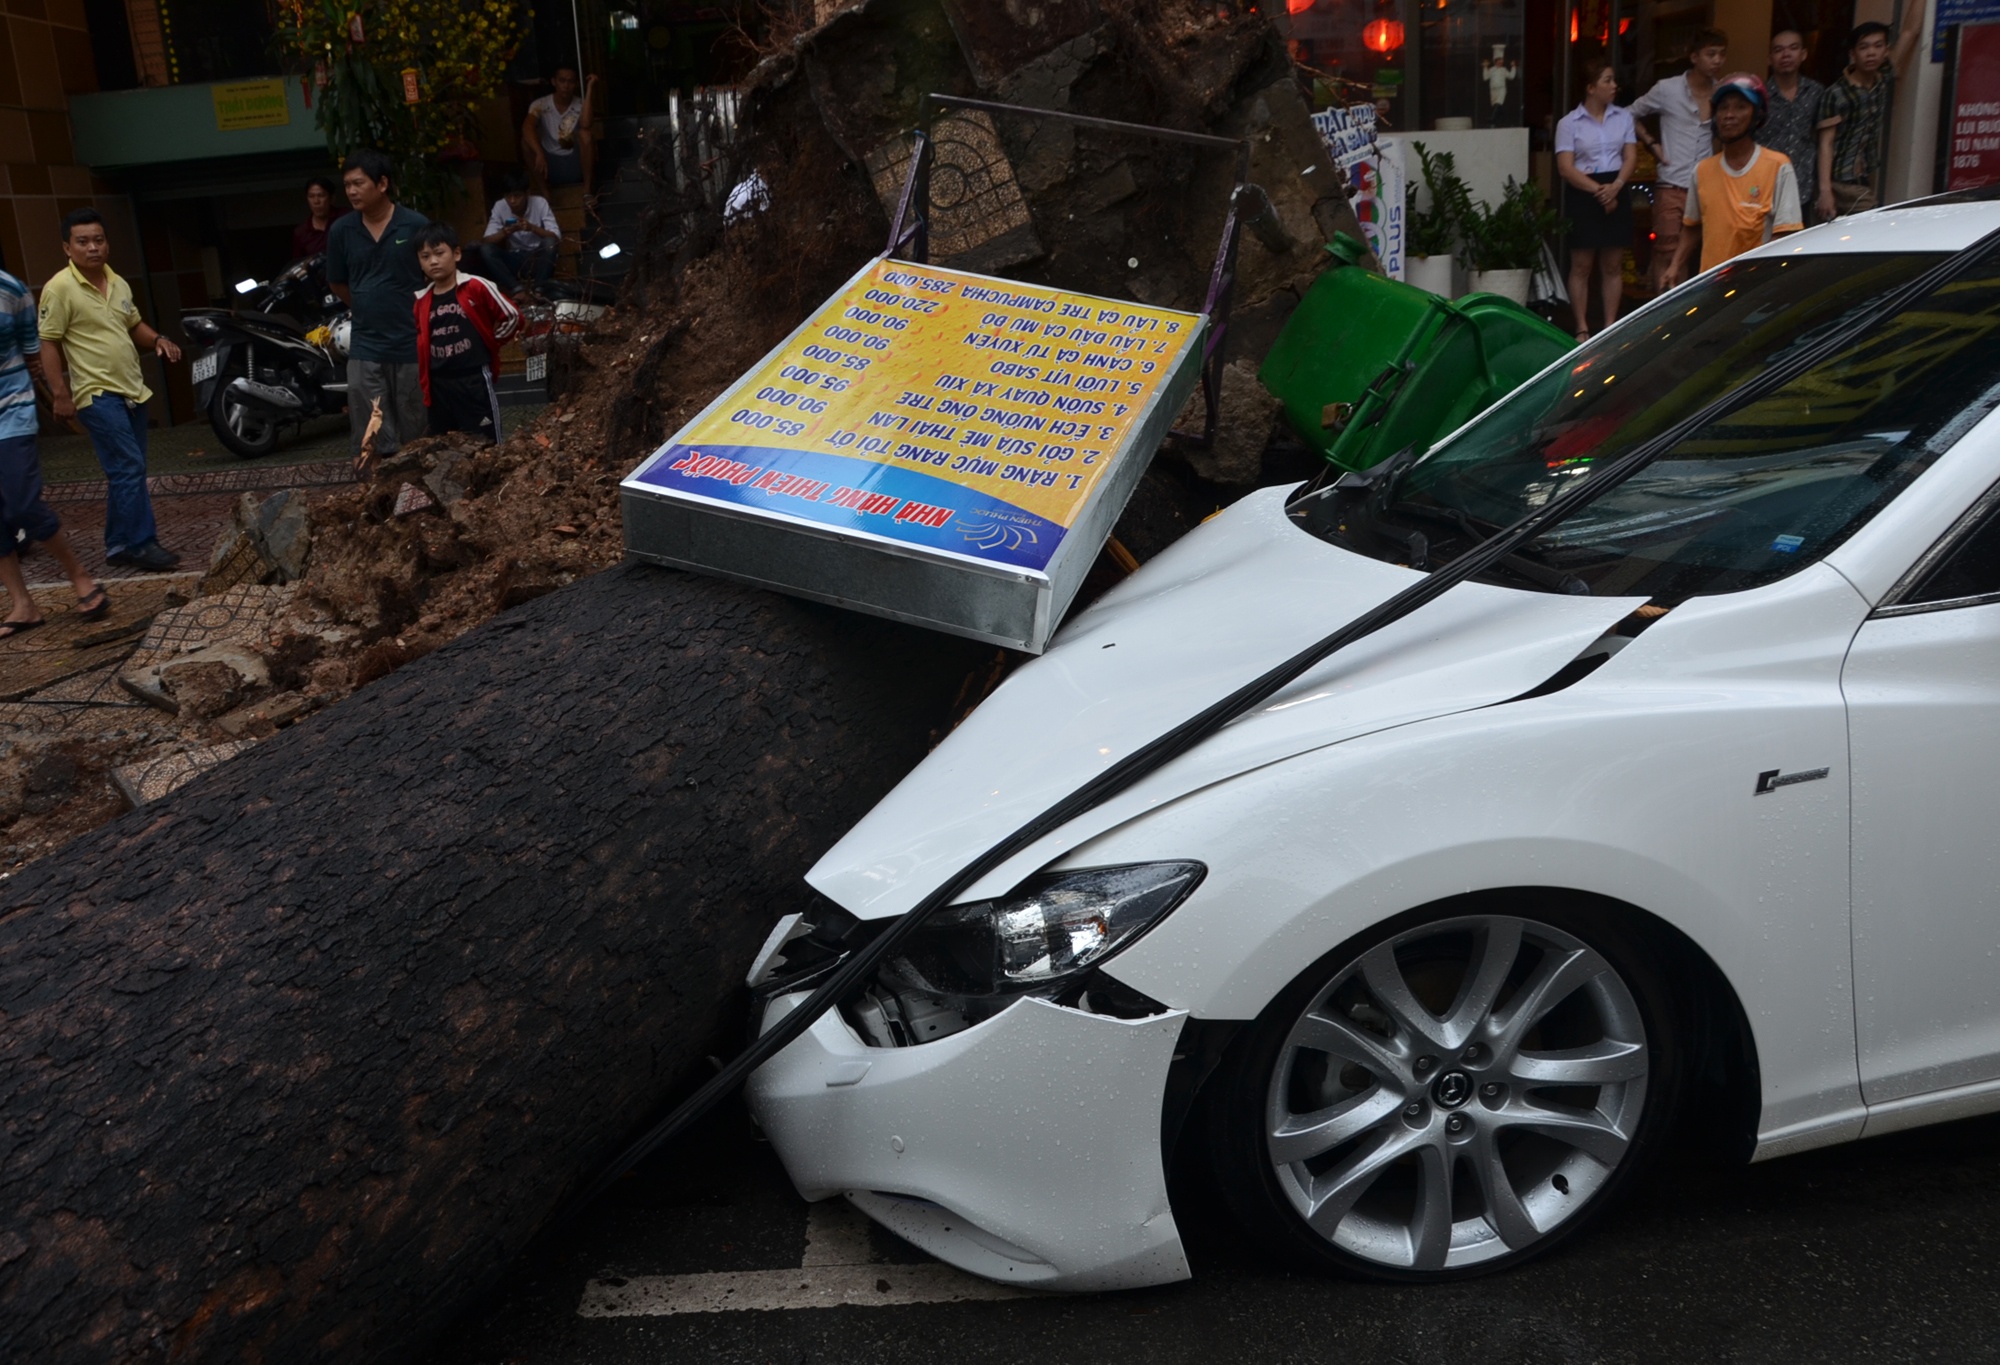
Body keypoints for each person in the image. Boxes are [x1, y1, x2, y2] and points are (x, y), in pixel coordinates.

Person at [36, 208, 182, 572]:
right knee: (129, 466)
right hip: (96, 394)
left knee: (126, 470)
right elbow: (48, 343)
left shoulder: (118, 282)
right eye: (83, 242)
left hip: (132, 390)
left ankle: (118, 544)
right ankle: (142, 543)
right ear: (67, 248)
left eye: (98, 240)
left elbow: (133, 325)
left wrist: (159, 339)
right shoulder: (59, 288)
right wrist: (60, 393)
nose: (93, 248)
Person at [0, 261, 107, 636]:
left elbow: (33, 355)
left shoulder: (10, 290)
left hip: (10, 410)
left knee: (22, 502)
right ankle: (23, 604)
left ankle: (79, 575)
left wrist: (58, 393)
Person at [324, 149, 429, 459]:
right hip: (366, 344)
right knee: (370, 430)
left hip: (411, 340)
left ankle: (419, 495)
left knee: (417, 430)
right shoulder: (342, 231)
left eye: (359, 183)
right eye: (347, 185)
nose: (352, 191)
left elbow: (433, 275)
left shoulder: (414, 224)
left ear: (382, 184)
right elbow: (337, 281)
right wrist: (367, 304)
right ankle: (377, 498)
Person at [1663, 74, 1804, 289]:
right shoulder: (1702, 171)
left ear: (1757, 116)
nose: (1729, 115)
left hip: (1755, 289)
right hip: (1712, 286)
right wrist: (1675, 265)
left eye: (1740, 107)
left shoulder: (1777, 166)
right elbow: (1692, 226)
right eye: (1723, 108)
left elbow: (1785, 234)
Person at [1631, 28, 1729, 296]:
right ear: (1694, 56)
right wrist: (1652, 144)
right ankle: (1663, 316)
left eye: (1721, 54)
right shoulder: (1668, 89)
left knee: (1706, 252)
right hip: (1672, 184)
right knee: (1667, 251)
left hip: (1708, 185)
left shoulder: (1723, 92)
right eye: (1711, 54)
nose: (1717, 60)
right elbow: (1629, 114)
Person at [1817, 0, 1929, 220]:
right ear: (1853, 54)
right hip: (1840, 181)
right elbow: (1825, 144)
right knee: (1874, 221)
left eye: (1878, 46)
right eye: (1864, 47)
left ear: (1886, 51)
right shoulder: (1837, 93)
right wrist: (1825, 190)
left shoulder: (1882, 79)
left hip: (1864, 177)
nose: (1871, 53)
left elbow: (1909, 32)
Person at [412, 224, 519, 445]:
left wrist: (492, 341)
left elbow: (513, 316)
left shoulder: (475, 286)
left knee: (485, 443)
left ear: (456, 253)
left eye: (439, 253)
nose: (433, 261)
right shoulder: (421, 301)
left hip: (473, 378)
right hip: (439, 383)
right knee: (443, 445)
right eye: (425, 256)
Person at [1555, 59, 1638, 342]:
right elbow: (1566, 168)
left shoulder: (1624, 118)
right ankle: (1581, 326)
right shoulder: (1569, 123)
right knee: (1581, 265)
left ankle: (1610, 325)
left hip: (1616, 185)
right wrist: (1598, 191)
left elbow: (1630, 157)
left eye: (1614, 80)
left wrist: (1615, 186)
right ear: (1591, 88)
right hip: (1584, 190)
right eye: (1607, 81)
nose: (1614, 86)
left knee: (1613, 264)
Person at [1763, 30, 1826, 224]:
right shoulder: (1759, 95)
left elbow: (1824, 141)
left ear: (1803, 54)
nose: (1786, 55)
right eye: (1779, 50)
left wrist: (1825, 189)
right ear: (1770, 58)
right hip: (1764, 188)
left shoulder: (1816, 93)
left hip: (1803, 187)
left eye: (1793, 48)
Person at [521, 67, 603, 200]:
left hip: (574, 163)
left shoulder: (580, 103)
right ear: (554, 82)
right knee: (525, 142)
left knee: (586, 135)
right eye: (562, 81)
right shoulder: (540, 104)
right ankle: (545, 193)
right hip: (548, 165)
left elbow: (587, 124)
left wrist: (589, 89)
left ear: (575, 84)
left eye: (570, 82)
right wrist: (539, 152)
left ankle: (587, 190)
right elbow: (527, 127)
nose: (566, 85)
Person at [478, 172, 561, 295]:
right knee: (486, 250)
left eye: (517, 196)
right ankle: (516, 289)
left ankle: (539, 290)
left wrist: (532, 228)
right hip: (515, 258)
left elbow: (556, 237)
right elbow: (486, 240)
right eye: (508, 196)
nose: (512, 201)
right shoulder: (500, 206)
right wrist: (504, 233)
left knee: (550, 243)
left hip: (538, 258)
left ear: (527, 193)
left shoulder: (540, 203)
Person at [291, 175, 347, 260]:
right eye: (311, 196)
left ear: (331, 198)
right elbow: (299, 264)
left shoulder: (345, 218)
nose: (316, 201)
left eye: (321, 196)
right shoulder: (301, 232)